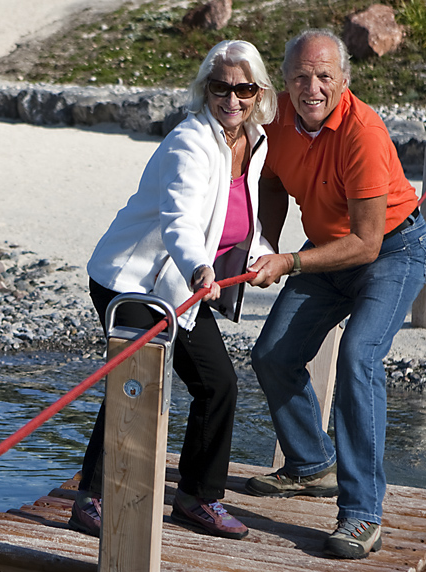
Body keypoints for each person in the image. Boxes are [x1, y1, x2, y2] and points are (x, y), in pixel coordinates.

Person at [69, 39, 278, 540]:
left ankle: (195, 499)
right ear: (205, 89)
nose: (231, 99)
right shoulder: (191, 142)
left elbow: (236, 218)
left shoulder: (254, 138)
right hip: (132, 281)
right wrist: (200, 267)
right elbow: (180, 221)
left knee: (217, 383)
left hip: (178, 284)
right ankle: (91, 499)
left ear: (259, 92)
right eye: (220, 88)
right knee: (137, 382)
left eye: (243, 88)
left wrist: (265, 255)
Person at [245, 29, 426, 559]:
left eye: (324, 76)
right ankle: (311, 465)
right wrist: (266, 240)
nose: (312, 86)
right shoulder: (275, 116)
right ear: (284, 81)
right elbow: (275, 180)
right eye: (301, 76)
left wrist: (288, 262)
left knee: (358, 358)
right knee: (272, 356)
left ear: (343, 80)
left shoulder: (364, 132)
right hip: (327, 248)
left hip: (392, 251)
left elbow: (367, 243)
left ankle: (362, 515)